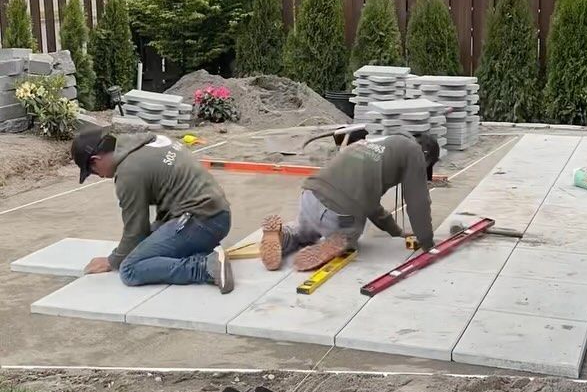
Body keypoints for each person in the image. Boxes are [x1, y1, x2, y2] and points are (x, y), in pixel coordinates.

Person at [70, 127, 233, 292]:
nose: (100, 176)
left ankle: (206, 267)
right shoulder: (147, 142)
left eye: (93, 172)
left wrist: (112, 261)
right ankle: (206, 252)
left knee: (129, 268)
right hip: (214, 213)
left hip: (202, 221)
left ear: (95, 160)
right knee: (142, 246)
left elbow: (135, 231)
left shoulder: (129, 172)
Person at [260, 131, 439, 271]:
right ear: (426, 157)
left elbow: (372, 206)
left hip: (310, 196)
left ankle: (284, 235)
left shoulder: (377, 144)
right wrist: (427, 242)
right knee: (351, 233)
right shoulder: (415, 152)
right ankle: (339, 241)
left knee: (302, 234)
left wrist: (395, 231)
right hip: (337, 213)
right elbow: (419, 202)